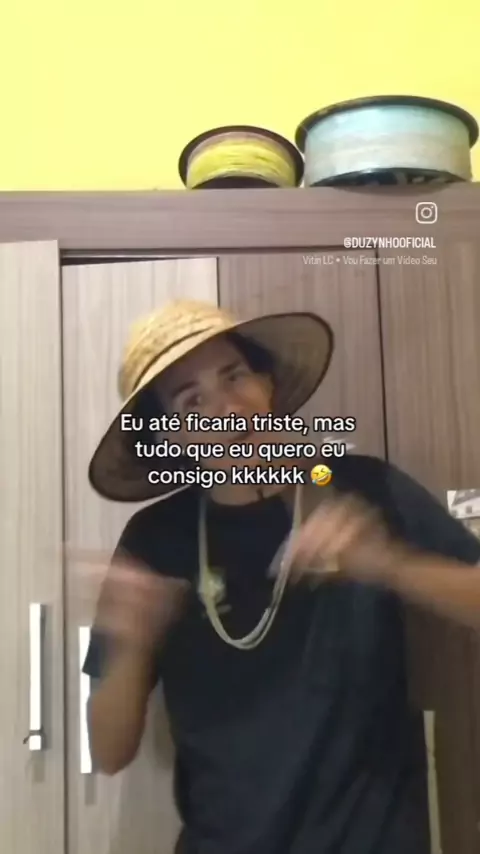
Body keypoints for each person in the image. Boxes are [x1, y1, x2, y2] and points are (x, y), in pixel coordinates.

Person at [81, 299, 480, 854]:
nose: (227, 409)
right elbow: (108, 751)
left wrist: (390, 564)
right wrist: (132, 642)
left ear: (267, 384)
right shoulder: (154, 541)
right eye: (192, 401)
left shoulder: (365, 487)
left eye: (234, 376)